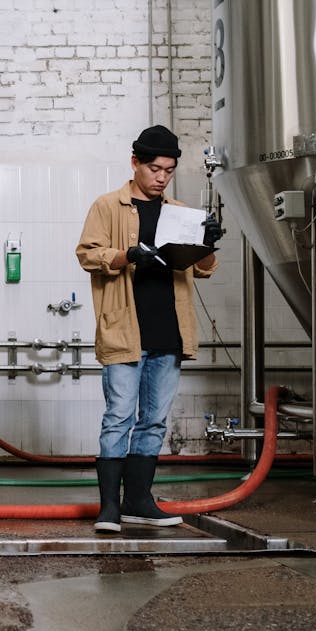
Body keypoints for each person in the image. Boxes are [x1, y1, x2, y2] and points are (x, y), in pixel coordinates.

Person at [75, 124, 222, 533]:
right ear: (135, 162)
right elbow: (87, 255)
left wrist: (208, 244)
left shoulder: (180, 213)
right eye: (155, 168)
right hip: (124, 330)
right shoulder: (108, 206)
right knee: (119, 417)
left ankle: (138, 500)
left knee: (154, 421)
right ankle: (109, 508)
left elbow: (203, 271)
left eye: (169, 170)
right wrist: (125, 255)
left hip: (169, 331)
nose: (161, 177)